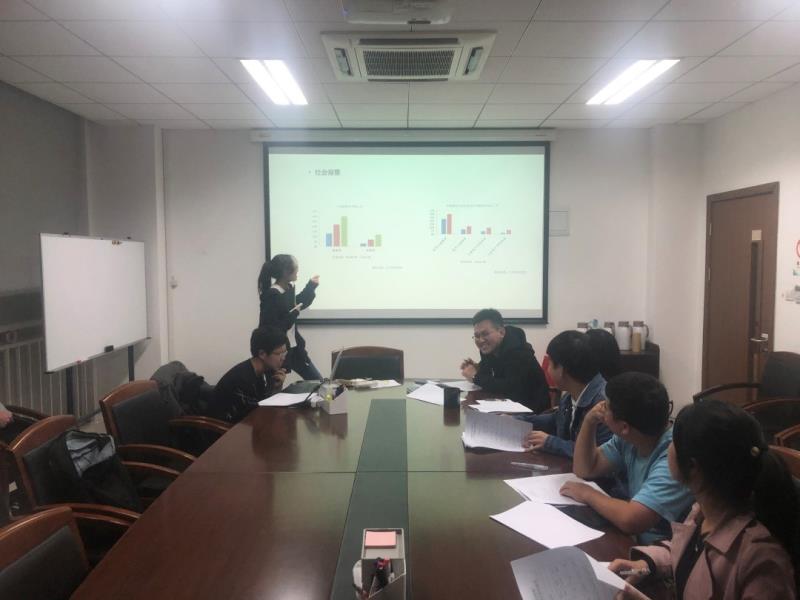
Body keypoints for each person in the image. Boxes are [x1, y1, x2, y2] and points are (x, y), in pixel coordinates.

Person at [609, 399, 798, 600]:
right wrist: (645, 565)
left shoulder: (760, 562)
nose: (668, 446)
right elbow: (691, 553)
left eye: (673, 441)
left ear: (693, 467)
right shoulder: (703, 511)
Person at [561, 372, 693, 544]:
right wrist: (589, 421)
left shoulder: (673, 456)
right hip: (635, 541)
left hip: (662, 551)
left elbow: (631, 519)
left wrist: (588, 494)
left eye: (606, 406)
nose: (601, 408)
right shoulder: (630, 437)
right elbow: (585, 468)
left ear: (624, 427)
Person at [519, 330, 611, 458]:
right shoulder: (569, 395)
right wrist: (518, 420)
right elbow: (556, 419)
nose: (547, 369)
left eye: (550, 363)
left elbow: (600, 454)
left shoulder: (604, 404)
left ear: (561, 369)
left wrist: (551, 443)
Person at [460, 308, 550, 413]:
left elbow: (509, 387)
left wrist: (475, 376)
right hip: (506, 407)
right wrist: (476, 369)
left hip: (532, 412)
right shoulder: (490, 348)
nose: (481, 340)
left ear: (501, 332)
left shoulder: (518, 352)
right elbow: (487, 374)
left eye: (485, 334)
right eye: (477, 336)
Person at [257, 254, 322, 380]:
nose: (297, 270)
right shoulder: (272, 295)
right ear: (286, 272)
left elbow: (298, 304)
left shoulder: (287, 288)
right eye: (295, 267)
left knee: (317, 381)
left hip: (293, 348)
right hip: (276, 351)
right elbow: (272, 327)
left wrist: (311, 286)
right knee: (274, 387)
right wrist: (294, 314)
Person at [209, 328, 289, 424]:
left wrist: (277, 388)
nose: (283, 358)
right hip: (224, 429)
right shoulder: (242, 379)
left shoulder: (259, 371)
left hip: (246, 424)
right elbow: (255, 416)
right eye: (279, 354)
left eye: (284, 353)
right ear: (262, 354)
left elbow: (263, 407)